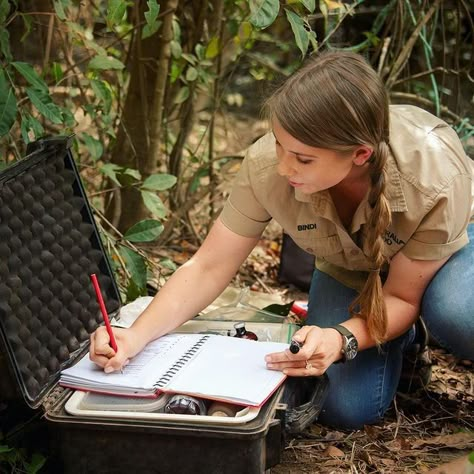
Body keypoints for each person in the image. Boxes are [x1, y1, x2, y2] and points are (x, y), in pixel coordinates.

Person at [90, 51, 474, 430]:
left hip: (445, 258)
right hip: (356, 268)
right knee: (343, 407)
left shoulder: (434, 175)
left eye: (303, 160)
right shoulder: (268, 165)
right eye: (278, 145)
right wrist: (135, 335)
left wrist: (341, 339)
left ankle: (415, 324)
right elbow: (209, 265)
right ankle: (401, 342)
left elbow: (402, 297)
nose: (282, 166)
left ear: (360, 155)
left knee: (457, 312)